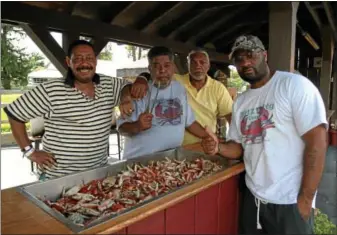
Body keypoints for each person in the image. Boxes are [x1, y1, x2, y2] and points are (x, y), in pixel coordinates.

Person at [202, 35, 328, 234]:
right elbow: (239, 148)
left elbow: (317, 142)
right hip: (254, 199)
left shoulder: (293, 85)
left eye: (251, 55)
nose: (245, 62)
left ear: (264, 55)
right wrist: (218, 147)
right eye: (239, 59)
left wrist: (305, 199)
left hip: (289, 201)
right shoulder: (241, 102)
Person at [4, 39, 148, 180]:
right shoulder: (51, 90)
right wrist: (30, 152)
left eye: (89, 58)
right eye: (78, 59)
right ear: (68, 62)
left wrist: (128, 95)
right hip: (58, 177)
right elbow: (15, 114)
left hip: (97, 175)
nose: (84, 63)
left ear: (95, 61)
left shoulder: (108, 84)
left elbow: (127, 86)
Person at [117, 46, 213, 159]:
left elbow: (189, 122)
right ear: (149, 68)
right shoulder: (139, 91)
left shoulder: (179, 89)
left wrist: (208, 137)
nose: (162, 70)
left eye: (167, 65)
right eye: (156, 66)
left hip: (171, 158)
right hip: (140, 161)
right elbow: (121, 129)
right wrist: (137, 126)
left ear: (173, 67)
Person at [137, 49, 233, 146]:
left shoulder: (218, 88)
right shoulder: (176, 81)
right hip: (179, 146)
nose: (198, 66)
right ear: (188, 65)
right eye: (193, 62)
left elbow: (230, 116)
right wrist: (141, 78)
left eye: (202, 62)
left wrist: (233, 142)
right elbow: (156, 74)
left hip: (206, 144)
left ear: (208, 66)